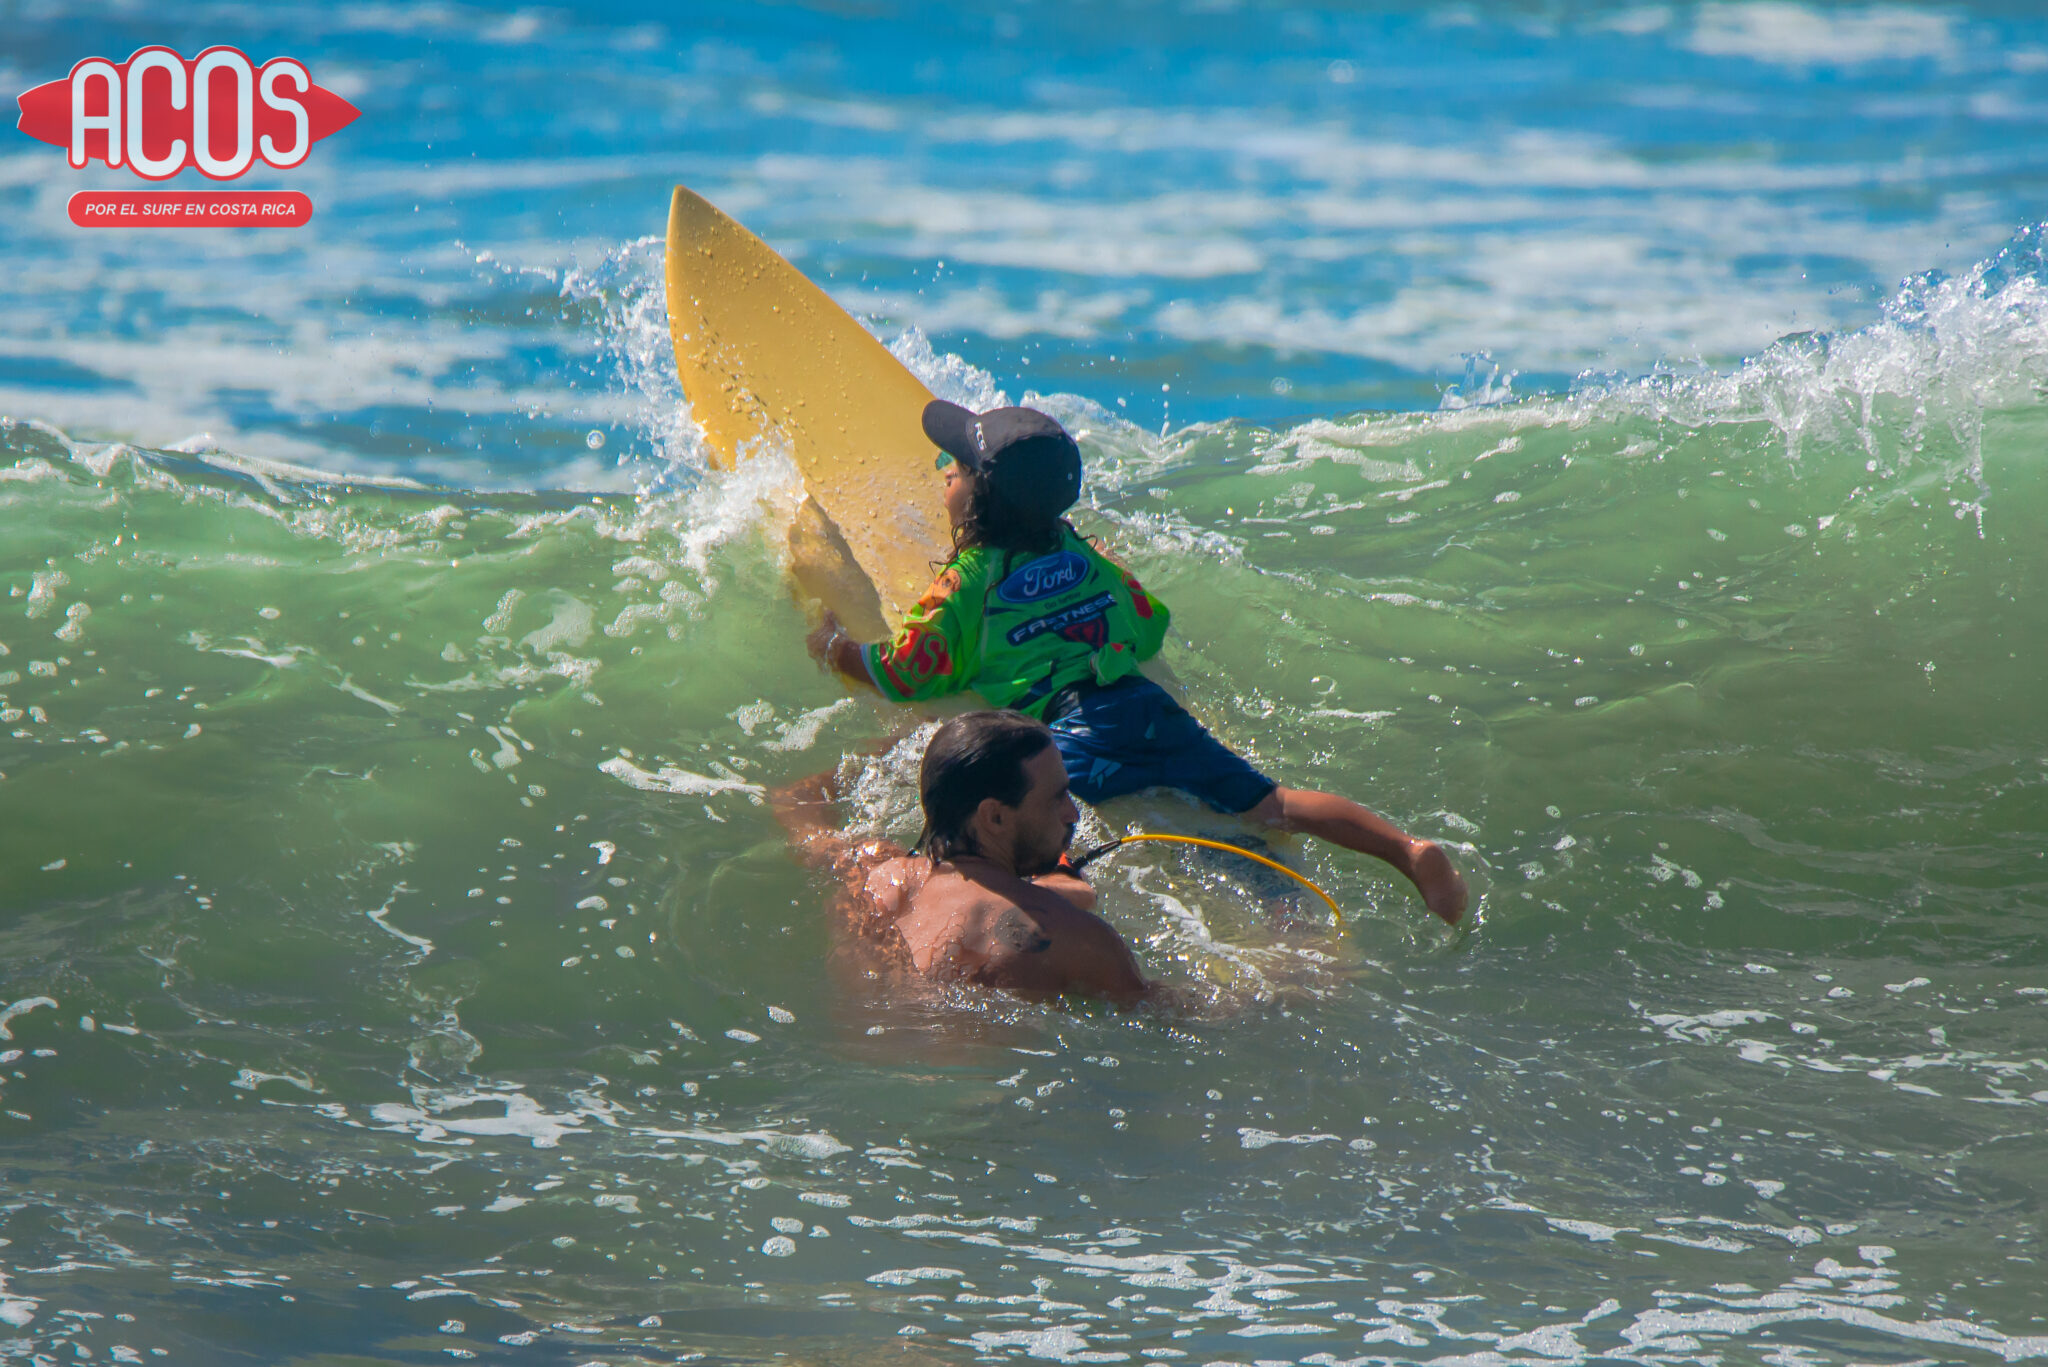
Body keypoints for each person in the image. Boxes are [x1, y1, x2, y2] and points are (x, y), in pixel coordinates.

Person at [807, 399, 1469, 927]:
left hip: (1065, 732)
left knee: (1057, 836)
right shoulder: (1083, 556)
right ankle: (1406, 852)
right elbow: (1147, 621)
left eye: (951, 469)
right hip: (1142, 704)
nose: (944, 474)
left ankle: (1064, 901)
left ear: (975, 499)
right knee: (1275, 802)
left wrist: (838, 647)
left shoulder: (969, 580)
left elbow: (907, 671)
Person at [773, 710, 1152, 1000]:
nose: (1073, 814)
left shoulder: (873, 875)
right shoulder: (1077, 939)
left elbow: (792, 801)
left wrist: (886, 745)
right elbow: (1181, 1023)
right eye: (1057, 797)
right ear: (995, 816)